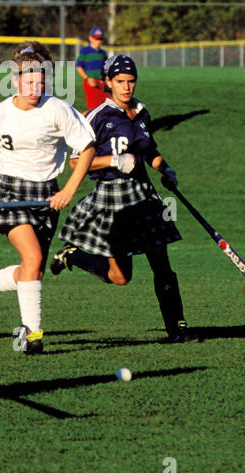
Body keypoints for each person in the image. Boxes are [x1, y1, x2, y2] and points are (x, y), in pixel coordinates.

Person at [0, 41, 95, 353]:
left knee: (32, 272)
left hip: (47, 194)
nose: (35, 87)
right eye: (29, 80)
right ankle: (32, 335)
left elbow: (87, 148)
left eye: (41, 80)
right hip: (7, 192)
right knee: (33, 258)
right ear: (15, 78)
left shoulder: (58, 110)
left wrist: (68, 191)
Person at [49, 54, 191, 341]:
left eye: (131, 81)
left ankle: (177, 329)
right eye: (120, 82)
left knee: (161, 262)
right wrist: (114, 160)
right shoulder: (95, 116)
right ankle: (73, 256)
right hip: (112, 199)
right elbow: (77, 163)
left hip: (142, 194)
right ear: (108, 83)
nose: (127, 87)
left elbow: (149, 151)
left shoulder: (142, 112)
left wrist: (166, 169)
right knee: (121, 277)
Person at [75, 27, 110, 112]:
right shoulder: (85, 51)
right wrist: (87, 78)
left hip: (102, 83)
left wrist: (105, 79)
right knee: (93, 108)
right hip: (90, 82)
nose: (98, 41)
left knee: (107, 106)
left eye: (100, 39)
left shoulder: (103, 53)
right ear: (90, 38)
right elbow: (79, 66)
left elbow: (106, 68)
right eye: (96, 38)